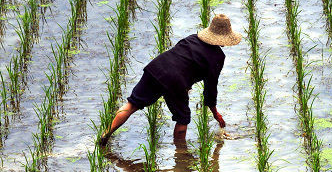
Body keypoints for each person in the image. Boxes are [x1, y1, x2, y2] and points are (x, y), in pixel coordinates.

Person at [99, 13, 241, 146]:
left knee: (131, 105)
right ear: (226, 37)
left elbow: (180, 58)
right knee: (183, 118)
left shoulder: (192, 38)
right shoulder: (217, 57)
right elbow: (210, 87)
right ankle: (180, 153)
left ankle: (105, 134)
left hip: (155, 68)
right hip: (175, 80)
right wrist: (215, 112)